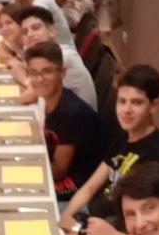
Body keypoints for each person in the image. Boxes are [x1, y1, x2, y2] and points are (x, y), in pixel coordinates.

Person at [60, 63, 159, 231]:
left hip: (108, 229)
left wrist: (77, 232)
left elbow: (133, 218)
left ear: (154, 106)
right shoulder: (124, 136)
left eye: (136, 103)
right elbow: (91, 187)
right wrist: (66, 216)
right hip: (89, 214)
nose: (126, 110)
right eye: (122, 101)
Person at [25, 40, 103, 203]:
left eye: (47, 71)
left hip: (80, 184)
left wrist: (24, 171)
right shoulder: (50, 99)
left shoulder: (70, 113)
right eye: (33, 72)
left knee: (23, 192)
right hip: (64, 172)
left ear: (62, 73)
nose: (39, 79)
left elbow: (59, 171)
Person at [14, 4, 97, 108]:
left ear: (52, 31)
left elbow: (26, 98)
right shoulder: (41, 55)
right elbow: (16, 66)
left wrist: (31, 85)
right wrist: (28, 83)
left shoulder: (63, 57)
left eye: (35, 28)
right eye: (25, 32)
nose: (29, 34)